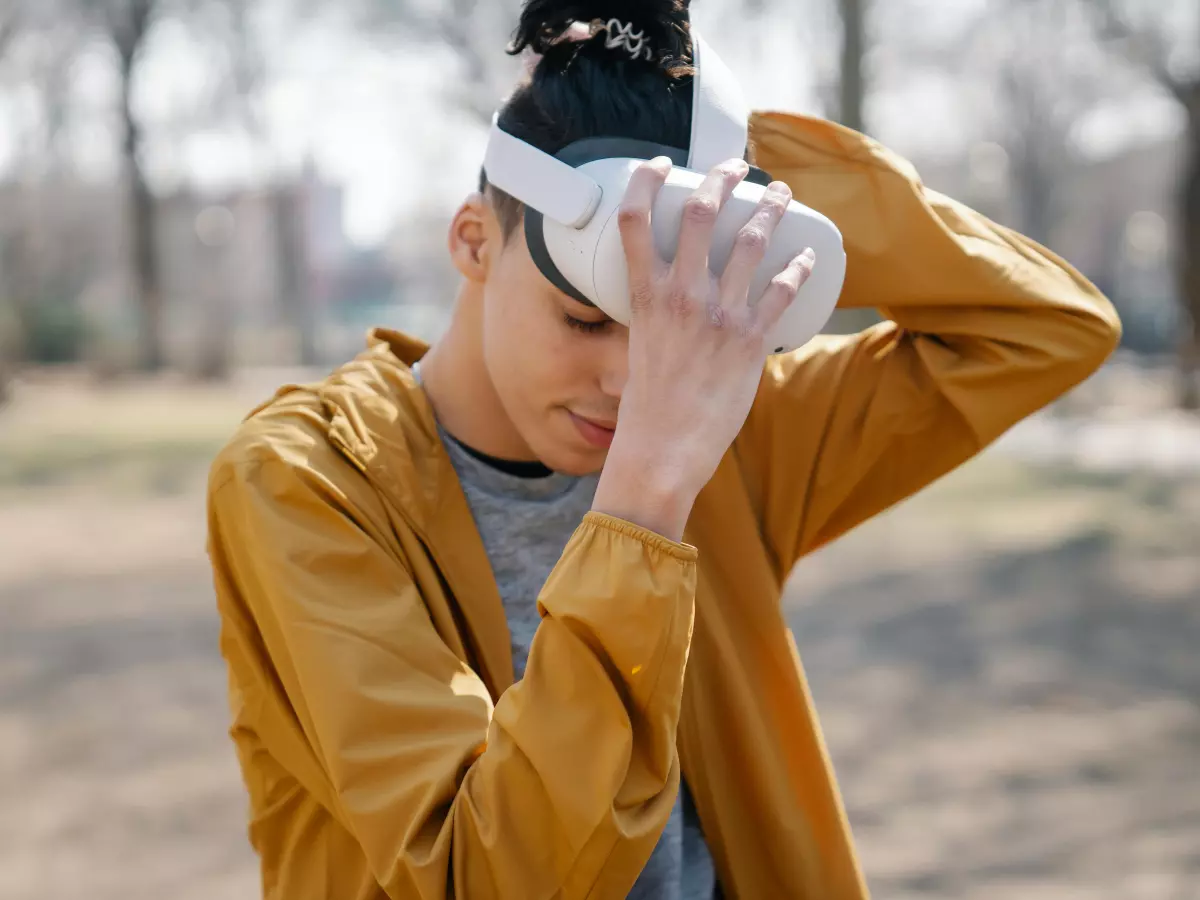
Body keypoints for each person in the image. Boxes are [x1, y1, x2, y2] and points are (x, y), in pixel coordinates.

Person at [204, 1, 1122, 897]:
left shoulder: (720, 420)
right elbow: (482, 874)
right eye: (586, 318)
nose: (635, 386)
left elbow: (1046, 326)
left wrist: (736, 171)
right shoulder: (307, 480)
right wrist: (644, 498)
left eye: (675, 334)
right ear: (475, 241)